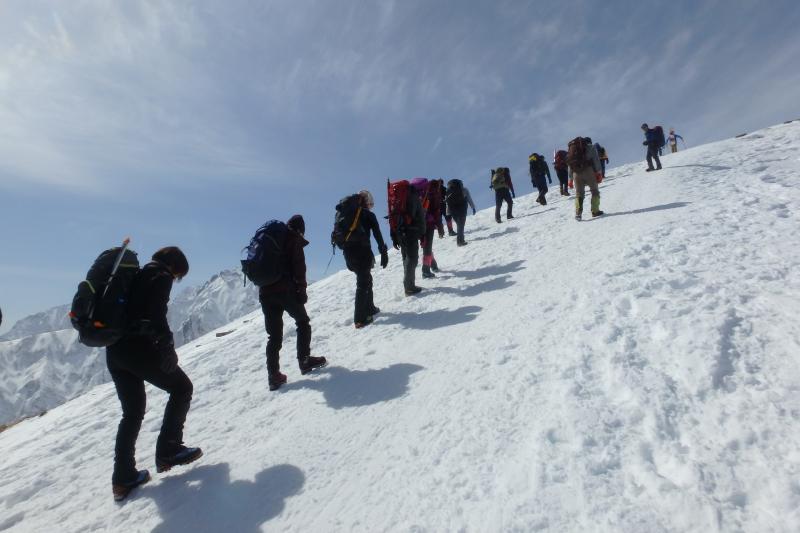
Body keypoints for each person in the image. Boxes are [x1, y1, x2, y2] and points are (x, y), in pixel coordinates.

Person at [106, 246, 202, 501]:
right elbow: (156, 315)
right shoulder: (160, 276)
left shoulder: (135, 275)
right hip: (138, 350)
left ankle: (123, 477)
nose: (176, 279)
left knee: (132, 413)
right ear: (173, 266)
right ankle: (169, 449)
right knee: (182, 388)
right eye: (178, 275)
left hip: (115, 351)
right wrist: (167, 348)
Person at [259, 215, 327, 391]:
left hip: (265, 292)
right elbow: (299, 268)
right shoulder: (293, 239)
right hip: (285, 291)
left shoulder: (273, 238)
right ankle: (305, 361)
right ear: (300, 230)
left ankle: (273, 376)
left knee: (274, 336)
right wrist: (302, 291)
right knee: (303, 322)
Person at [342, 191, 389, 329]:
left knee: (366, 278)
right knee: (363, 283)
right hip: (362, 252)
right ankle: (360, 319)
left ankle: (370, 307)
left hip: (348, 253)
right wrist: (383, 252)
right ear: (367, 202)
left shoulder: (346, 214)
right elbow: (377, 234)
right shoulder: (368, 215)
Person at [389, 181, 426, 296]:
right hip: (411, 232)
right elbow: (420, 217)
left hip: (399, 232)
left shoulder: (395, 199)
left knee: (405, 257)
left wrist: (393, 236)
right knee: (412, 258)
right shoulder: (414, 197)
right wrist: (422, 234)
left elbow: (392, 218)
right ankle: (409, 287)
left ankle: (409, 284)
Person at [410, 178, 444, 279]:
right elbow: (436, 212)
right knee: (427, 247)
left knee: (426, 246)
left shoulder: (413, 194)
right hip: (428, 223)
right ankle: (426, 271)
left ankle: (433, 266)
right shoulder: (432, 193)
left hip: (415, 224)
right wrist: (440, 227)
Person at [567, 137, 604, 220]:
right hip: (588, 170)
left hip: (576, 173)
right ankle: (595, 211)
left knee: (579, 193)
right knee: (594, 191)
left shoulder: (572, 150)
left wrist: (570, 179)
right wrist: (599, 172)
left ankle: (578, 213)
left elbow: (570, 165)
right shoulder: (591, 147)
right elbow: (596, 160)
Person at [445, 178, 476, 246]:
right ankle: (460, 241)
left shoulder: (448, 191)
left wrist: (447, 212)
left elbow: (447, 203)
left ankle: (460, 240)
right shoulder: (464, 189)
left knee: (459, 225)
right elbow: (469, 198)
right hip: (462, 209)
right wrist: (473, 207)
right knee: (460, 225)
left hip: (452, 210)